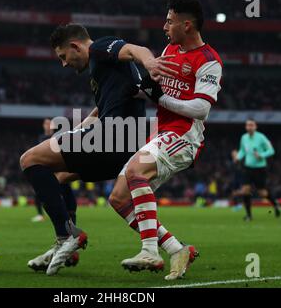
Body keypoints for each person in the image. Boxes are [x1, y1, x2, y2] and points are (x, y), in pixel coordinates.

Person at [20, 23, 176, 275]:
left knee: (29, 159)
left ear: (75, 46)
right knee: (57, 178)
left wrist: (150, 63)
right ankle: (68, 244)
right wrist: (74, 132)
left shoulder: (100, 49)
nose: (64, 64)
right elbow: (100, 111)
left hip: (112, 137)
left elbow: (136, 49)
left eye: (63, 57)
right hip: (123, 144)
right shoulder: (104, 72)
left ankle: (66, 236)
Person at [108, 0, 223, 280]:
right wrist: (135, 88)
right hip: (162, 132)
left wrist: (161, 97)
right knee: (119, 198)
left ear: (187, 25)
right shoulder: (171, 48)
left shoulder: (209, 60)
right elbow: (153, 87)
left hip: (185, 135)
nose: (164, 26)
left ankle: (149, 250)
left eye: (169, 21)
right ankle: (176, 249)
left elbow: (201, 108)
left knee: (135, 170)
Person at [232, 119, 281, 221]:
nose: (249, 127)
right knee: (246, 190)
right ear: (246, 127)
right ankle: (249, 215)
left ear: (255, 126)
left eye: (251, 125)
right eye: (248, 125)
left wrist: (261, 155)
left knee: (262, 192)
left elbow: (271, 150)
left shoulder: (261, 137)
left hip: (260, 168)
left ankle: (275, 205)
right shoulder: (244, 138)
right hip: (247, 167)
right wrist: (238, 158)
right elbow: (242, 151)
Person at [31, 118, 78, 225]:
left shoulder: (58, 136)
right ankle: (41, 215)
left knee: (67, 193)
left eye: (49, 123)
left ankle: (71, 222)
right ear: (43, 125)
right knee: (41, 194)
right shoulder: (41, 138)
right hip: (48, 171)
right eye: (45, 123)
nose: (47, 125)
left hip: (59, 169)